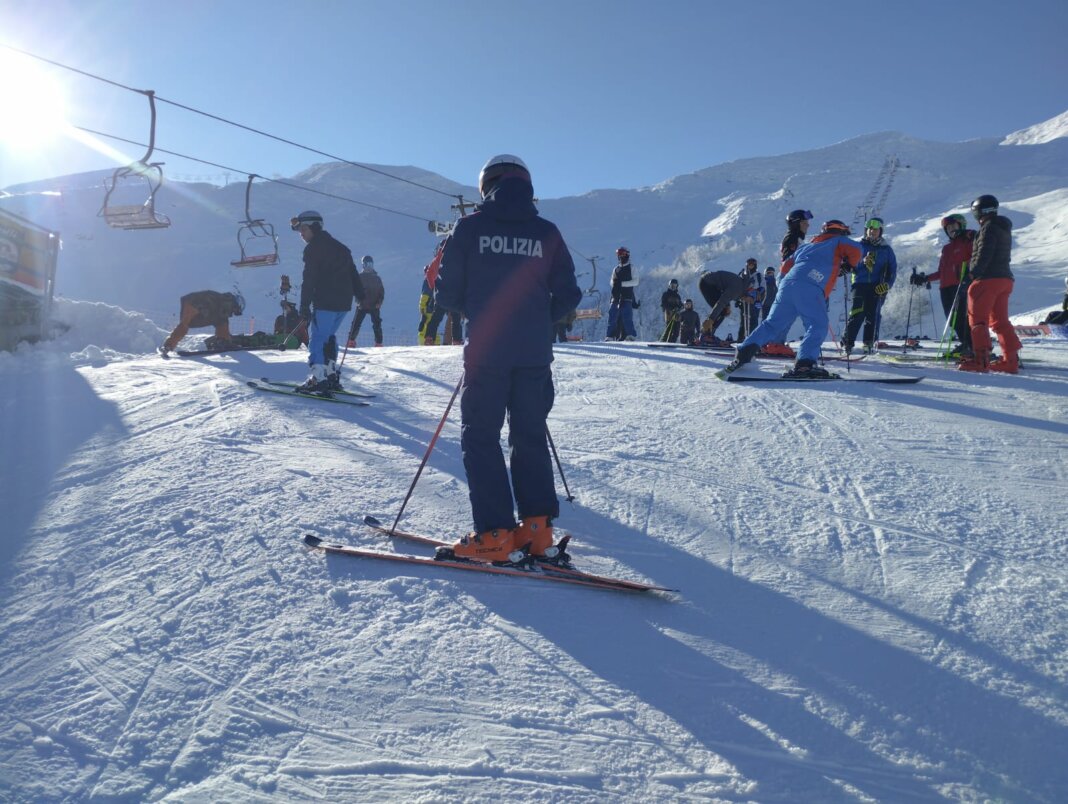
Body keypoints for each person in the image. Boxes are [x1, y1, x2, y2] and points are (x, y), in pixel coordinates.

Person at [434, 154, 582, 564]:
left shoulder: (469, 228)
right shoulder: (546, 232)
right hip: (534, 354)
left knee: (481, 436)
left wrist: (479, 314)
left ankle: (495, 534)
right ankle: (537, 530)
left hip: (486, 351)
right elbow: (569, 295)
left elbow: (444, 293)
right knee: (529, 434)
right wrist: (537, 320)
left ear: (487, 187)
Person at [721, 220, 863, 378]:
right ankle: (804, 365)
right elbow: (857, 249)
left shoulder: (806, 247)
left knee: (772, 324)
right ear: (840, 232)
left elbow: (784, 267)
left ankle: (743, 353)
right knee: (817, 326)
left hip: (787, 286)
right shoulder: (837, 240)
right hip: (811, 286)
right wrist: (850, 265)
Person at [291, 210, 365, 391]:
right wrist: (361, 296)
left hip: (325, 301)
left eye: (303, 229)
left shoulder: (313, 249)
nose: (301, 233)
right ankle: (331, 375)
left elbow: (309, 278)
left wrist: (304, 305)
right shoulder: (341, 247)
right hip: (343, 303)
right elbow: (353, 273)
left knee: (318, 338)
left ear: (314, 228)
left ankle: (317, 377)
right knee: (329, 337)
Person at [958, 194, 1022, 373]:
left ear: (979, 212)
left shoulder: (988, 228)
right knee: (1000, 322)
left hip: (986, 280)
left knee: (978, 320)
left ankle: (981, 361)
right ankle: (1010, 361)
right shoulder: (1003, 227)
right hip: (1005, 280)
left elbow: (984, 254)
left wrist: (972, 275)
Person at [910, 214, 974, 356]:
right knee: (953, 320)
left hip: (961, 286)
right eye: (948, 227)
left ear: (961, 226)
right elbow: (941, 272)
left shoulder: (968, 242)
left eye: (954, 226)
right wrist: (925, 278)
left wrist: (969, 276)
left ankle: (972, 346)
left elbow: (976, 260)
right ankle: (966, 345)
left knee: (963, 318)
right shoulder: (946, 249)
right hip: (945, 288)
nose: (951, 229)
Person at [842, 217, 897, 354]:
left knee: (873, 314)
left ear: (880, 231)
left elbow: (893, 270)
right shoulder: (858, 246)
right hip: (860, 284)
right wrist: (862, 262)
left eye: (876, 229)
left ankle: (869, 342)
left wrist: (887, 285)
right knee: (857, 312)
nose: (872, 231)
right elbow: (850, 265)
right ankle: (847, 342)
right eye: (870, 229)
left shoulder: (886, 249)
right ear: (866, 230)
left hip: (877, 286)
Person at [161, 290, 244, 353]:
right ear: (237, 305)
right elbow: (223, 316)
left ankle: (222, 341)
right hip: (194, 305)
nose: (233, 313)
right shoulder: (227, 301)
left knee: (221, 321)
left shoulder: (223, 302)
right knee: (184, 325)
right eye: (236, 310)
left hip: (198, 308)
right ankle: (168, 346)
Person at [697, 270, 745, 339]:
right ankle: (706, 334)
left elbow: (725, 291)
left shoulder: (741, 285)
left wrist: (728, 305)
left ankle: (707, 333)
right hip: (706, 284)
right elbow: (721, 303)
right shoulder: (737, 290)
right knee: (722, 311)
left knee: (724, 311)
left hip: (710, 283)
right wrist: (711, 319)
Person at [348, 255, 384, 347]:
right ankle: (351, 341)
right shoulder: (360, 277)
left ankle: (378, 343)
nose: (369, 267)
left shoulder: (376, 278)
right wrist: (358, 300)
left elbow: (381, 292)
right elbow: (354, 290)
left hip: (374, 305)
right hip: (362, 305)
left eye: (370, 264)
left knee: (377, 324)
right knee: (356, 323)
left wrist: (379, 302)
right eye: (367, 264)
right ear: (363, 265)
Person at [606, 246, 638, 340]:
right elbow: (611, 282)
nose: (620, 257)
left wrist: (622, 284)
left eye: (622, 254)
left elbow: (636, 281)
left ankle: (630, 335)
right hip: (615, 296)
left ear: (627, 255)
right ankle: (610, 335)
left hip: (626, 296)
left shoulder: (631, 268)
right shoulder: (616, 269)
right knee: (612, 315)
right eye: (619, 255)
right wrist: (615, 284)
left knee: (627, 316)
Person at [736, 258, 763, 340]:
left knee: (753, 321)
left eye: (752, 264)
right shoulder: (742, 274)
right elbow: (737, 287)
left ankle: (752, 340)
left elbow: (762, 287)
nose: (750, 266)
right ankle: (740, 340)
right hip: (744, 300)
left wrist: (755, 293)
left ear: (755, 265)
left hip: (754, 301)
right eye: (749, 264)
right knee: (743, 321)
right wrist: (738, 299)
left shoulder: (758, 275)